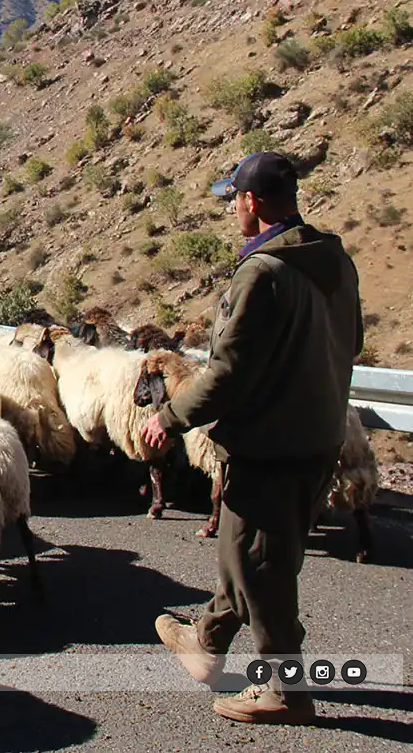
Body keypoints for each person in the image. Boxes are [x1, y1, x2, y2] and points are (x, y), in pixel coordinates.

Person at [141, 151, 363, 725]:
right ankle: (208, 639)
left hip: (270, 443)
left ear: (251, 200)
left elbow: (228, 373)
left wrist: (168, 418)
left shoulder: (262, 273)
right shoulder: (334, 261)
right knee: (255, 554)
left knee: (260, 569)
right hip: (320, 437)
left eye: (234, 199)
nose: (233, 209)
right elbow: (353, 342)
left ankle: (285, 691)